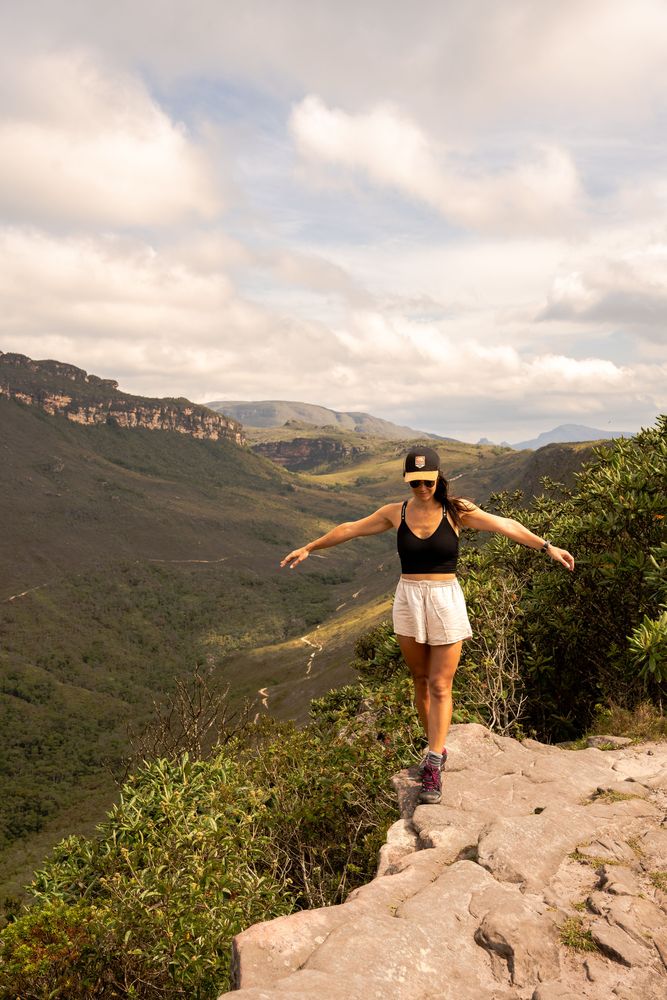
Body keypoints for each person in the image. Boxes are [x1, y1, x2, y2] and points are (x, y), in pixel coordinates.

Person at [280, 446, 575, 805]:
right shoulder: (396, 512)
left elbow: (505, 525)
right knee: (419, 681)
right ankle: (435, 748)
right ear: (407, 480)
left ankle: (433, 762)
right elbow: (351, 529)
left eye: (427, 480)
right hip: (408, 600)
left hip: (444, 599)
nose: (421, 487)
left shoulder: (457, 510)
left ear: (438, 477)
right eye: (414, 481)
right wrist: (311, 547)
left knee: (439, 684)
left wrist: (547, 546)